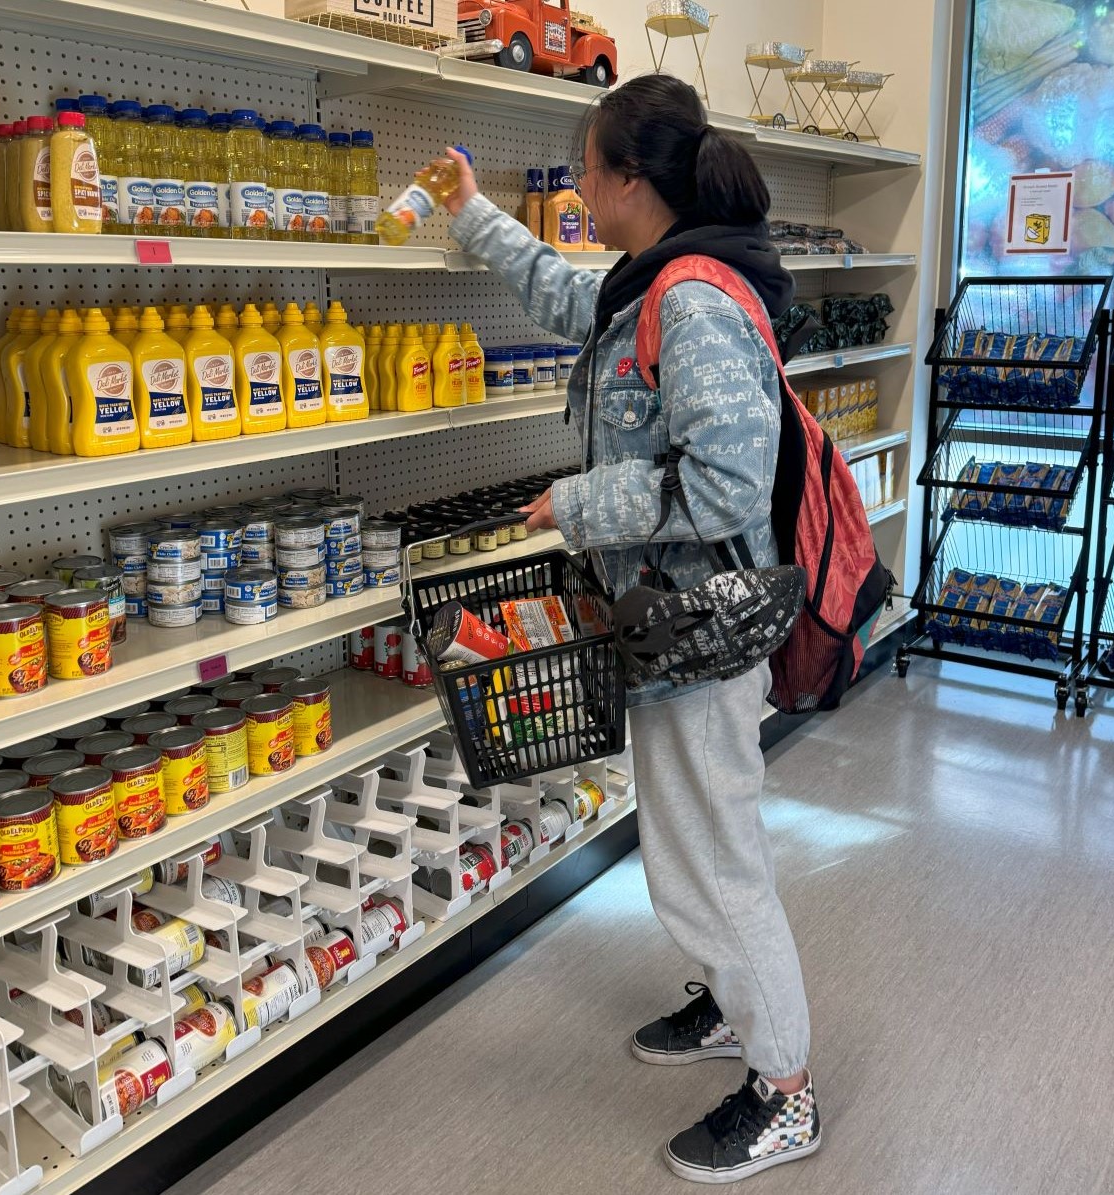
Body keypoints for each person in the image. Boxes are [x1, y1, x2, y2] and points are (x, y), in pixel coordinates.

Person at [441, 72, 819, 1184]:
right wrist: (474, 215)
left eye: (586, 167)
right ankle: (725, 1005)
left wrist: (579, 502)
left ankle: (785, 1087)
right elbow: (570, 299)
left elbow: (732, 487)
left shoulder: (693, 299)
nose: (579, 187)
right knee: (691, 844)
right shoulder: (652, 280)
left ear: (629, 181)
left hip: (703, 628)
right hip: (668, 625)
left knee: (718, 861)